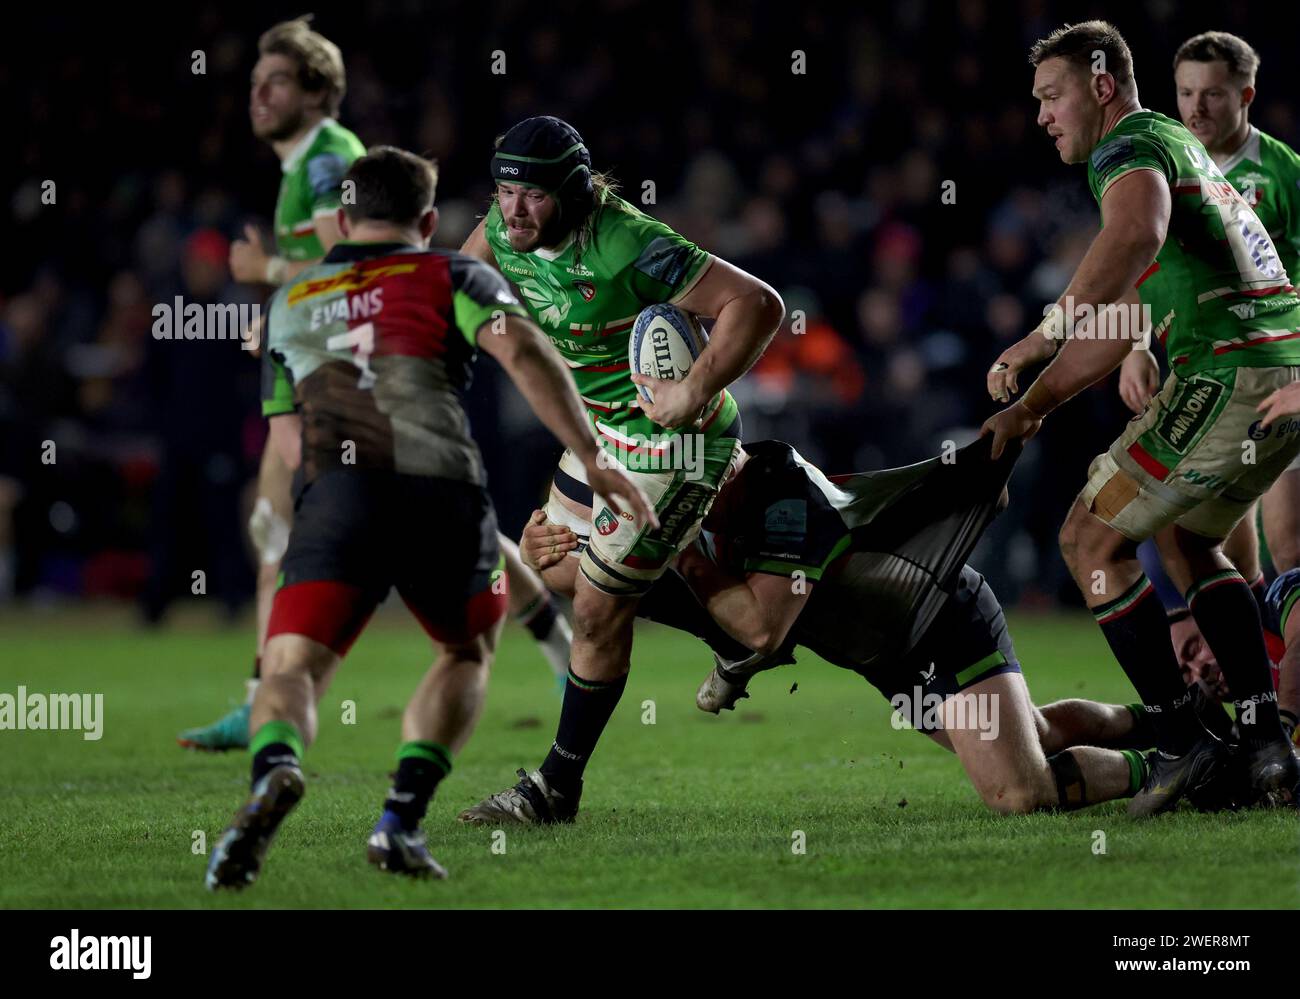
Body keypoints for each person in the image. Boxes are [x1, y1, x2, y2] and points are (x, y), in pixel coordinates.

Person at [204, 147, 654, 889]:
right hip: (438, 490)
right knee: (464, 652)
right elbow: (526, 354)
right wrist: (591, 453)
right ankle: (400, 820)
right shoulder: (454, 273)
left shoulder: (291, 302)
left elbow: (286, 442)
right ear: (426, 221)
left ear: (343, 218)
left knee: (291, 669)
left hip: (336, 502)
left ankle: (277, 766)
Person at [982, 20, 1300, 814]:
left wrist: (1042, 330)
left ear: (1100, 85)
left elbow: (1133, 233)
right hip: (1275, 372)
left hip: (1228, 372)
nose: (1042, 116)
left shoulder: (1127, 148)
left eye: (1051, 97)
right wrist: (1037, 403)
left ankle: (1182, 736)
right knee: (1186, 539)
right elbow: (1128, 311)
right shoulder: (1178, 148)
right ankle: (1264, 741)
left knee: (1088, 538)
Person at [515, 438, 1168, 815]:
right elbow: (590, 586)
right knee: (1041, 731)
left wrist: (674, 556)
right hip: (883, 652)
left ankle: (1172, 768)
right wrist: (547, 553)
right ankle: (1167, 720)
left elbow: (763, 629)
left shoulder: (780, 489)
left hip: (938, 617)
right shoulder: (681, 496)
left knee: (1019, 792)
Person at [456, 116, 784, 825]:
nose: (514, 209)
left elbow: (757, 304)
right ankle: (733, 634)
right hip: (599, 432)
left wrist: (692, 390)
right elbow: (458, 285)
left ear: (573, 194)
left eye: (534, 196)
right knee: (553, 567)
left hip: (676, 441)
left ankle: (554, 790)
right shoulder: (504, 226)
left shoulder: (626, 241)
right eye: (505, 191)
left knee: (600, 607)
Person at [1115, 31, 1300, 747]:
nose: (1196, 107)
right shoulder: (1169, 167)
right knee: (1215, 549)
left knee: (1284, 542)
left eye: (1213, 94)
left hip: (1271, 374)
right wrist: (1136, 346)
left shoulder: (1282, 174)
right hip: (1201, 378)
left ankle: (1277, 723)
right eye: (1186, 92)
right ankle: (1262, 715)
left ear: (1246, 96)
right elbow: (1144, 258)